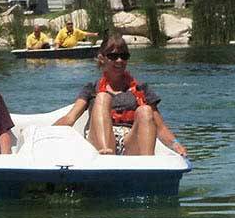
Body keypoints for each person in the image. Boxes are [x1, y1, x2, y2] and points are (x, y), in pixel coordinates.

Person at [54, 35, 186, 156]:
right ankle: (106, 156)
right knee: (103, 97)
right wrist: (46, 133)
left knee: (145, 110)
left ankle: (147, 167)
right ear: (102, 58)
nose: (119, 60)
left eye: (124, 56)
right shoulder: (91, 89)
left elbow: (160, 126)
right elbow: (70, 118)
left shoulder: (142, 89)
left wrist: (175, 145)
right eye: (113, 56)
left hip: (129, 141)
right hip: (99, 142)